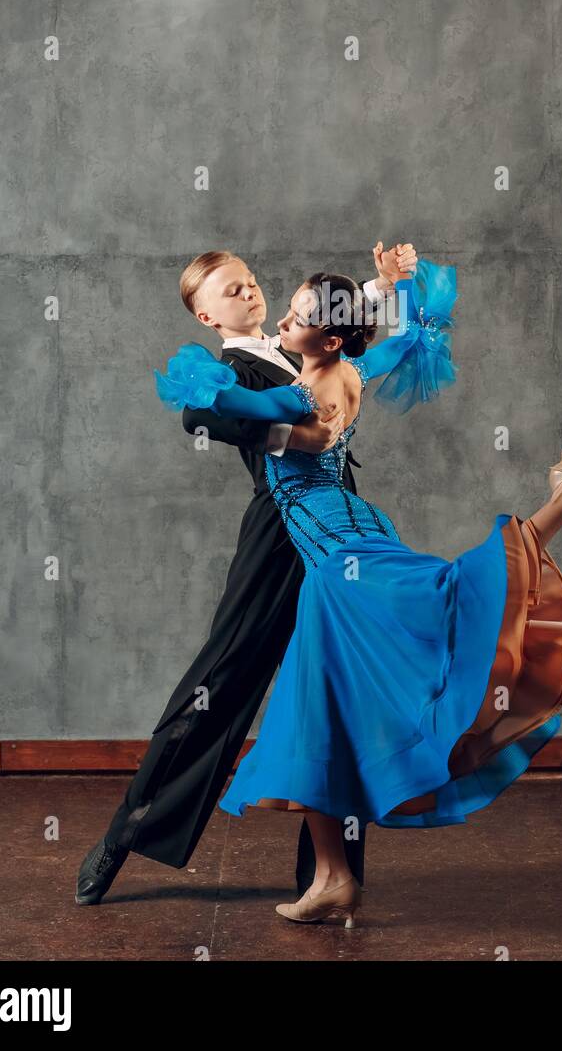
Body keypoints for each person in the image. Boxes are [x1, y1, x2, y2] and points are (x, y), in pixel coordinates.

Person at [153, 258, 562, 927]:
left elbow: (238, 406)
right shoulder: (349, 368)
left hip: (332, 554)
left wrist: (203, 380)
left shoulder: (305, 394)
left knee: (444, 601)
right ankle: (331, 878)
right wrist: (396, 290)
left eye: (298, 317)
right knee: (320, 702)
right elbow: (399, 343)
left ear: (326, 338)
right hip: (353, 535)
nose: (284, 320)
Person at [74, 241, 417, 906]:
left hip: (338, 530)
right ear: (205, 316)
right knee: (219, 682)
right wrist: (295, 437)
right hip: (280, 531)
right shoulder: (227, 365)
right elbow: (197, 414)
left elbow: (343, 335)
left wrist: (380, 284)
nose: (248, 293)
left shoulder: (296, 341)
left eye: (251, 283)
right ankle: (126, 831)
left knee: (336, 687)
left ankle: (329, 874)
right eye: (230, 291)